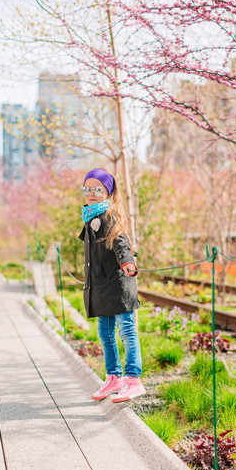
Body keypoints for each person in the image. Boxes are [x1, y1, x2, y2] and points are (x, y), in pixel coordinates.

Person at [78, 167, 145, 403]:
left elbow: (120, 242)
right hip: (101, 286)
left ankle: (133, 380)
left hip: (117, 285)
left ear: (108, 192)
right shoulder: (90, 217)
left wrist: (127, 261)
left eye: (98, 189)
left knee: (126, 330)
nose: (92, 193)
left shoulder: (110, 216)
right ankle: (114, 378)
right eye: (87, 188)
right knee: (105, 334)